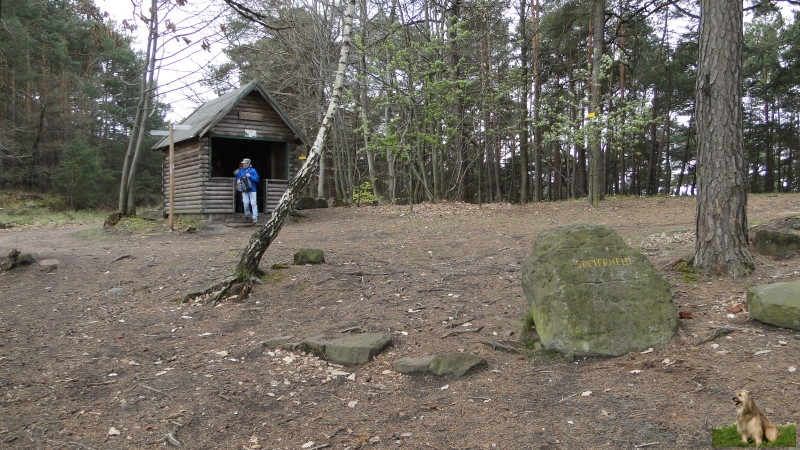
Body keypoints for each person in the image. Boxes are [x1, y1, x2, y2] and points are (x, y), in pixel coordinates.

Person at [234, 158, 260, 224]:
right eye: (243, 163)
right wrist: (239, 181)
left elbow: (257, 179)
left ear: (248, 163)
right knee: (245, 203)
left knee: (253, 203)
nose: (243, 164)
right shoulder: (241, 171)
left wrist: (250, 176)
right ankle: (247, 215)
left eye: (244, 163)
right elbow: (238, 181)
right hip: (244, 189)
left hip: (252, 189)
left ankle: (254, 217)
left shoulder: (253, 170)